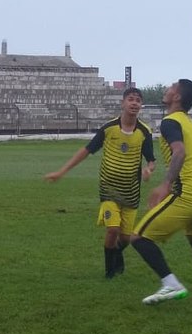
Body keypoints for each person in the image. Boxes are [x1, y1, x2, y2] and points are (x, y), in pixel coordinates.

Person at [131, 79, 192, 305]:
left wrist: (166, 184)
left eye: (172, 86)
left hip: (190, 196)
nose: (167, 88)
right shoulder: (190, 123)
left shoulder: (170, 121)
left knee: (139, 237)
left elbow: (180, 152)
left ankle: (171, 285)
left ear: (177, 97)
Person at [45, 87, 155, 278]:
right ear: (122, 103)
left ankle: (117, 254)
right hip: (109, 188)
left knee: (125, 238)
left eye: (138, 100)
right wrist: (61, 171)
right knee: (112, 230)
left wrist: (148, 170)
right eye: (131, 99)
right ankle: (109, 271)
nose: (134, 103)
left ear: (141, 105)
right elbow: (86, 150)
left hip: (131, 191)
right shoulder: (108, 128)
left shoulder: (144, 131)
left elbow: (151, 159)